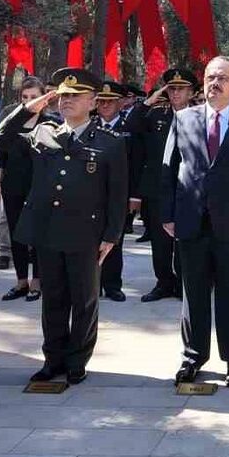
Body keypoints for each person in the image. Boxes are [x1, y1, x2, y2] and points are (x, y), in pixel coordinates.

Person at [0, 68, 127, 384]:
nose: (66, 101)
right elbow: (0, 138)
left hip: (86, 232)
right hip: (48, 231)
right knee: (53, 299)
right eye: (63, 96)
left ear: (93, 102)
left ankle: (77, 360)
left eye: (75, 96)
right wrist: (32, 107)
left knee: (83, 300)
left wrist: (111, 235)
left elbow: (117, 193)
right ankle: (53, 359)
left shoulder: (111, 142)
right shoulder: (43, 133)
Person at [161, 57, 229, 388]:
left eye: (223, 78)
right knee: (193, 294)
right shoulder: (183, 118)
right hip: (192, 221)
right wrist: (167, 215)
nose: (215, 83)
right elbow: (168, 169)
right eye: (210, 77)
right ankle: (193, 356)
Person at [131, 68, 197, 302]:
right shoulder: (157, 115)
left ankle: (183, 283)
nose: (176, 93)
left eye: (181, 88)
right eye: (171, 88)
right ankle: (163, 283)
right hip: (158, 189)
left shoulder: (200, 116)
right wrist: (149, 101)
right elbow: (131, 125)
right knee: (160, 242)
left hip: (188, 190)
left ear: (191, 92)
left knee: (186, 240)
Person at [0, 77, 57, 303]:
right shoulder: (11, 123)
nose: (29, 102)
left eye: (34, 97)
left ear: (43, 98)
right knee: (16, 234)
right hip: (13, 185)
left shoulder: (51, 122)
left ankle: (37, 281)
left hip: (39, 186)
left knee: (38, 235)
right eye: (25, 97)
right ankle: (21, 280)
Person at [90, 80, 135, 302]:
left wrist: (134, 196)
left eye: (110, 101)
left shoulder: (129, 128)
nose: (105, 105)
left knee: (115, 238)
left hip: (119, 193)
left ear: (120, 103)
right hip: (93, 193)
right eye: (101, 101)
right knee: (91, 239)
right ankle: (93, 284)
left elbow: (137, 162)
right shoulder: (89, 126)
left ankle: (112, 284)